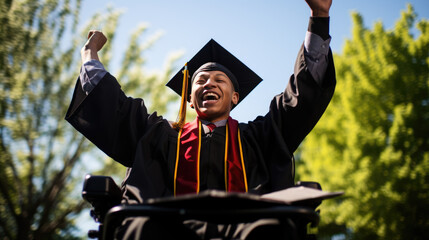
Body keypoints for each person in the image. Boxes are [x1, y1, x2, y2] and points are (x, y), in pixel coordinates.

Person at [66, 0, 335, 238]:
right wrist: (89, 56)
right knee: (141, 227)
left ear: (234, 98)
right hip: (164, 227)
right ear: (190, 100)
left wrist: (319, 17)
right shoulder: (156, 135)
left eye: (220, 80)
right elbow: (116, 109)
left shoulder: (260, 136)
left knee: (269, 229)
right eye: (201, 80)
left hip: (247, 228)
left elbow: (299, 99)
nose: (209, 84)